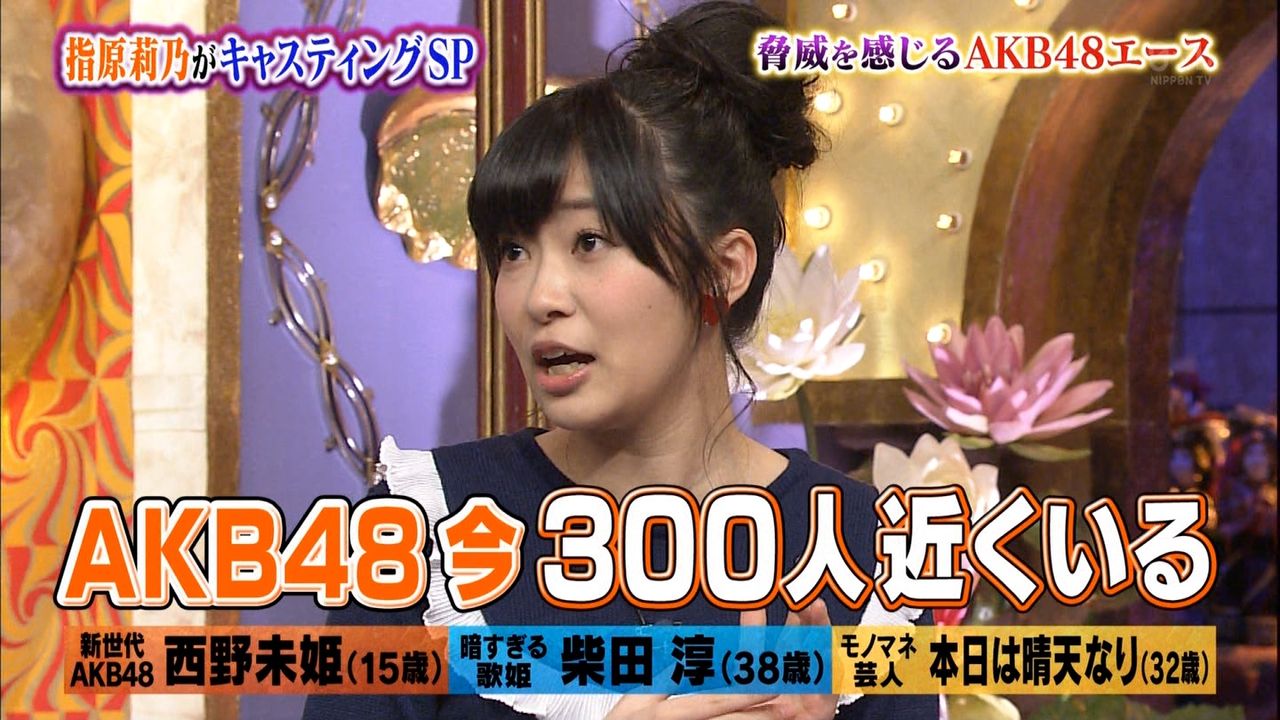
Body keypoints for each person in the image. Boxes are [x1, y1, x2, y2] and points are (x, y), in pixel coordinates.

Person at [303, 2, 936, 718]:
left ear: (723, 269)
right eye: (513, 251)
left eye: (590, 242)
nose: (539, 297)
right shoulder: (422, 533)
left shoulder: (865, 552)